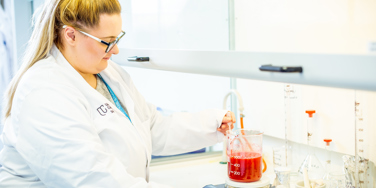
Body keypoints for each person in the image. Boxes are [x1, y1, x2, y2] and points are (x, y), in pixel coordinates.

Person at [0, 0, 235, 187]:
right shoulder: (43, 93)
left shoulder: (109, 73)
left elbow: (152, 127)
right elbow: (93, 178)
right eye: (107, 41)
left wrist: (211, 123)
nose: (116, 49)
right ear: (70, 35)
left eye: (117, 38)